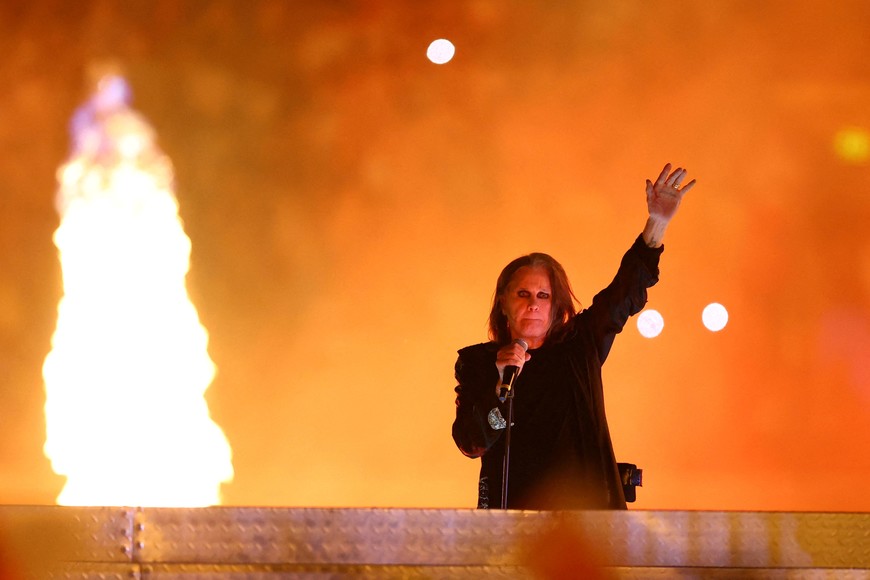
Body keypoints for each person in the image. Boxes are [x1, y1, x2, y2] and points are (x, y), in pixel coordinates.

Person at [452, 163, 696, 509]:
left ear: (556, 305)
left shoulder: (580, 346)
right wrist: (498, 388)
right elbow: (470, 442)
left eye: (543, 296)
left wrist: (657, 224)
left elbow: (622, 293)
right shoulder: (478, 363)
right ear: (503, 302)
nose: (533, 305)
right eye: (523, 294)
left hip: (587, 526)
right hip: (511, 526)